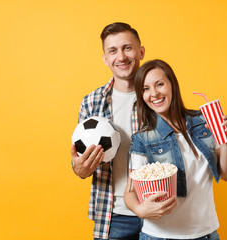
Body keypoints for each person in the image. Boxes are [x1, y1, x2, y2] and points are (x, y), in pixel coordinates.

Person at [124, 59, 227, 240]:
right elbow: (130, 191)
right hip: (160, 236)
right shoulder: (142, 138)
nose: (154, 93)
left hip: (206, 234)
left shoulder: (204, 121)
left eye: (159, 84)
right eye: (145, 89)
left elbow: (226, 174)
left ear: (172, 85)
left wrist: (226, 142)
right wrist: (139, 209)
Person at [71, 22, 145, 240]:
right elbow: (78, 163)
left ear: (140, 51)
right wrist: (80, 169)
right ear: (105, 58)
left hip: (158, 212)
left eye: (127, 48)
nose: (121, 56)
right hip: (113, 217)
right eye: (113, 50)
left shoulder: (159, 96)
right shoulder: (91, 102)